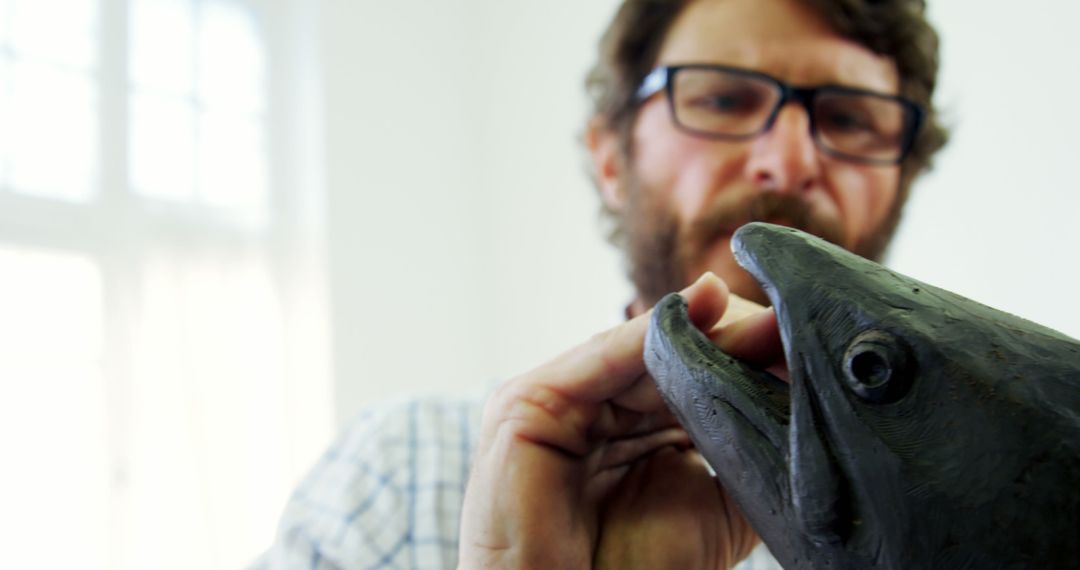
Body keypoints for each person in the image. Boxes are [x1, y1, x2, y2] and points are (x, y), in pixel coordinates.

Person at [256, 0, 947, 567]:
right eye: (724, 98)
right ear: (612, 161)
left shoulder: (1008, 498)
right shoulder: (395, 478)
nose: (789, 160)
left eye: (849, 118)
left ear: (902, 183)